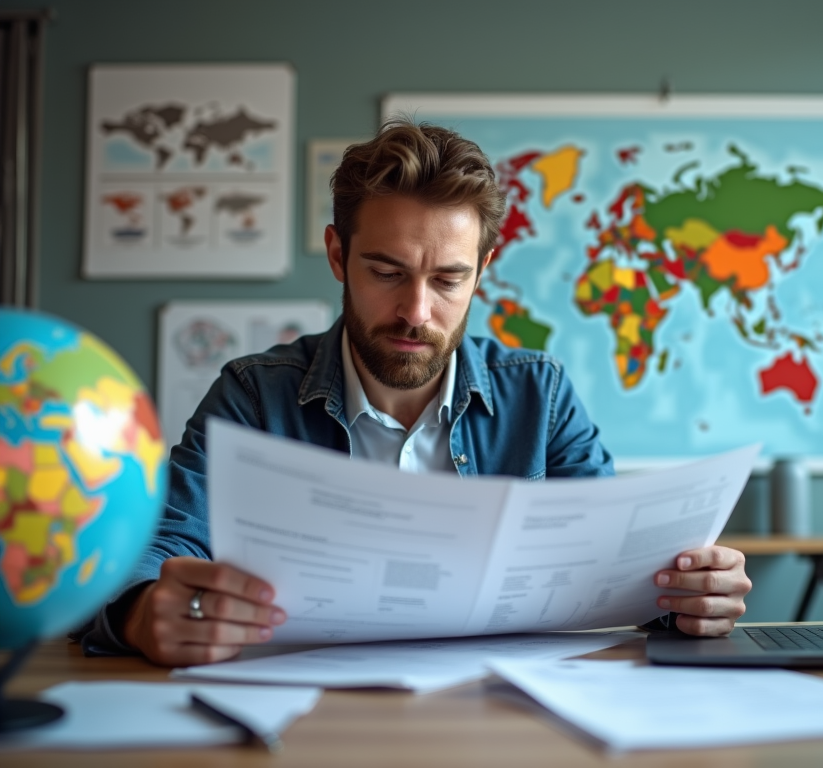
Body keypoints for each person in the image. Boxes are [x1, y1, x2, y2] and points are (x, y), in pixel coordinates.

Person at [74, 120, 752, 666]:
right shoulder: (253, 395)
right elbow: (158, 547)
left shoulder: (538, 395)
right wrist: (140, 613)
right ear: (338, 255)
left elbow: (616, 572)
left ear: (483, 271)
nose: (416, 312)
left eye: (448, 279)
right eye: (387, 271)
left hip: (504, 719)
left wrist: (688, 597)